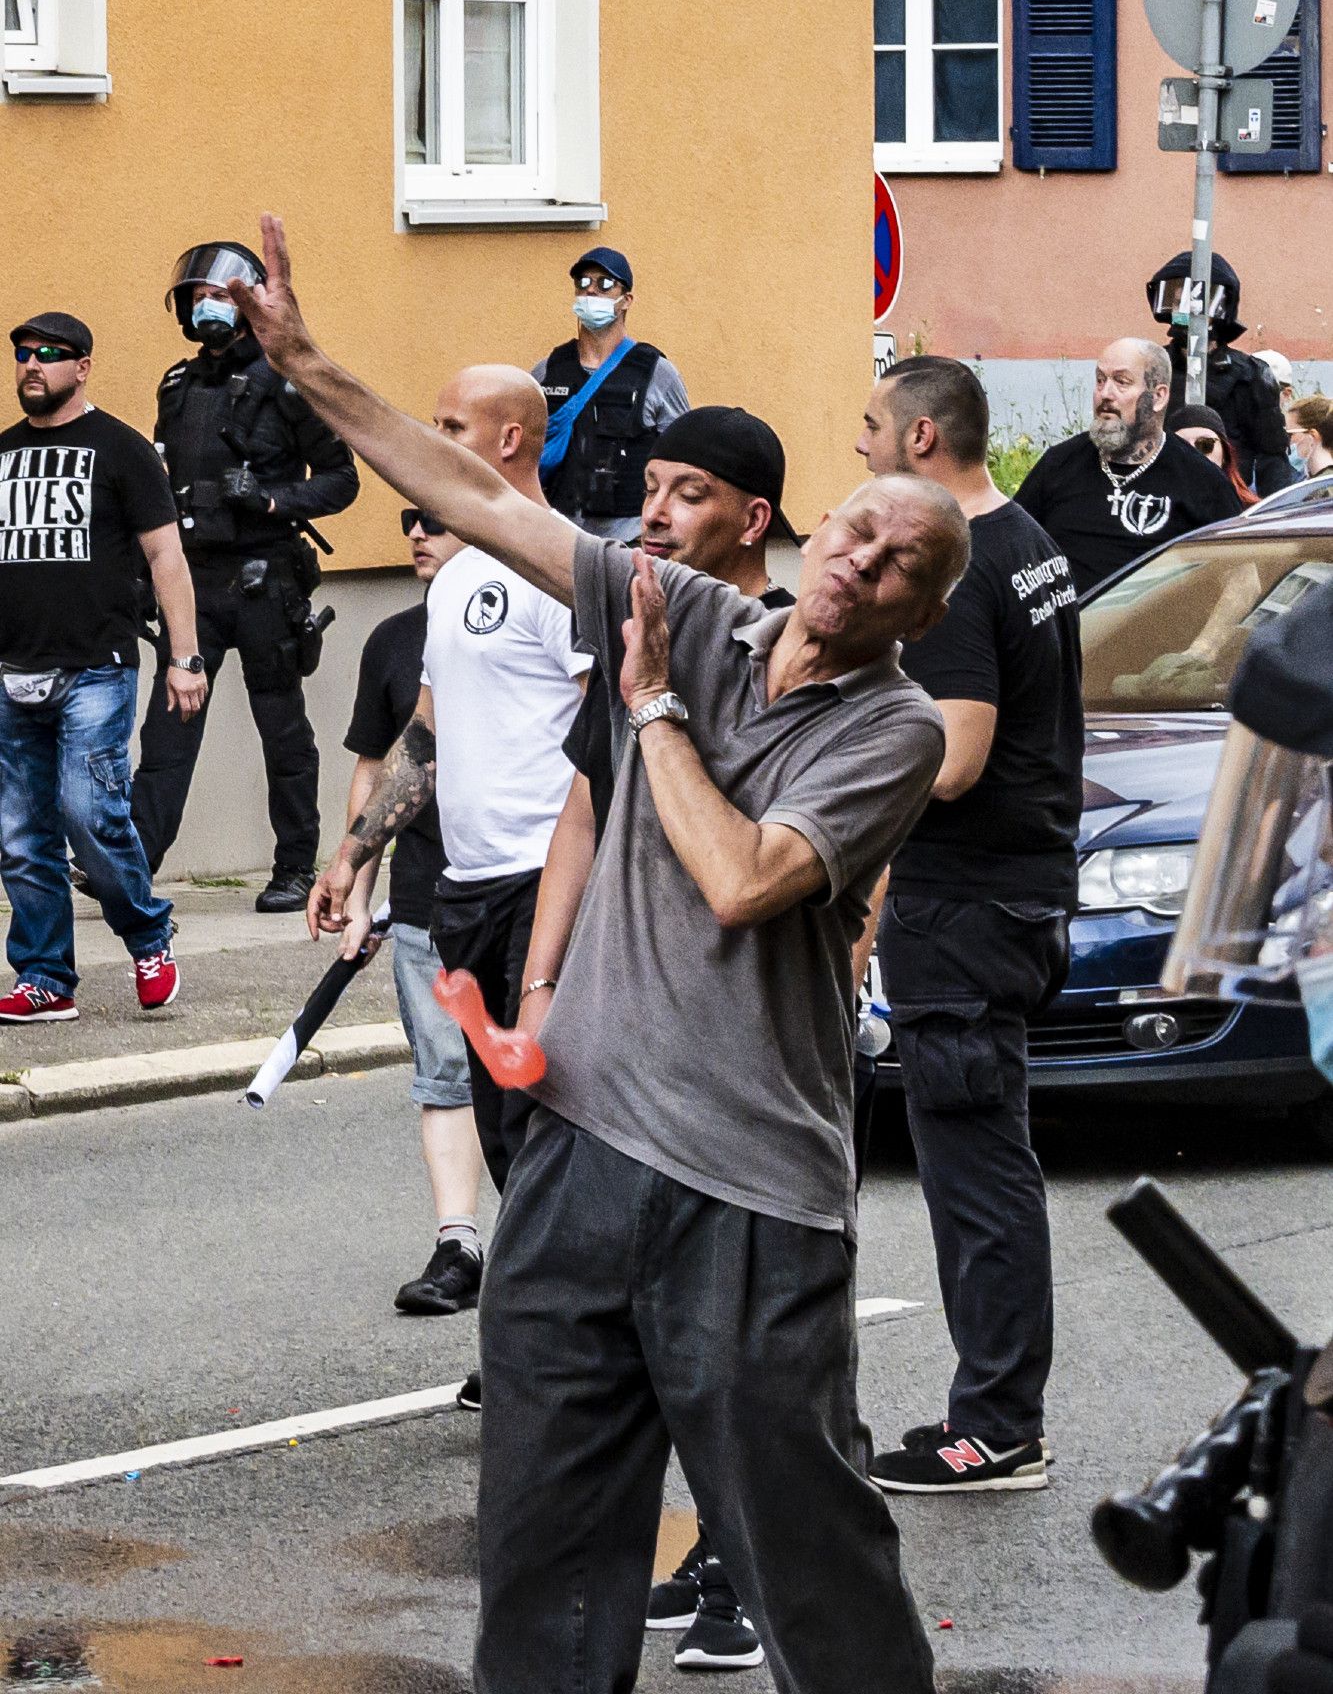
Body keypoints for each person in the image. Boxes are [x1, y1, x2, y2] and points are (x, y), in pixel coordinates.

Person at [227, 212, 968, 1694]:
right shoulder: (680, 608)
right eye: (858, 532)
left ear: (920, 608)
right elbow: (478, 497)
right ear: (815, 531)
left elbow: (744, 880)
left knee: (799, 1545)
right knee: (547, 1549)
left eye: (899, 565)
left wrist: (650, 714)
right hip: (576, 1156)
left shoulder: (890, 728)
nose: (863, 564)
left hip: (748, 1189)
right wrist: (311, 365)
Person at [518, 404, 793, 1675]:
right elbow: (586, 806)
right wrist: (539, 982)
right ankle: (675, 1576)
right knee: (611, 1358)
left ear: (752, 515)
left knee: (748, 1371)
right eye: (650, 486)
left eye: (687, 493)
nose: (654, 510)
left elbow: (824, 874)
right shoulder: (633, 633)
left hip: (743, 1078)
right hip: (610, 1057)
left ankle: (751, 1574)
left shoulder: (794, 652)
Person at [856, 357, 1082, 1494]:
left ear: (923, 434)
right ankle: (1001, 1411)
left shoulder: (955, 564)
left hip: (965, 900)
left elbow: (954, 758)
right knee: (995, 1158)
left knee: (976, 1173)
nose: (859, 443)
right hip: (1019, 885)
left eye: (871, 425)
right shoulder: (1030, 537)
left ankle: (995, 1425)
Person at [307, 364, 590, 1206]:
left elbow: (606, 743)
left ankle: (580, 1316)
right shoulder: (460, 573)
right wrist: (354, 854)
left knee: (553, 1123)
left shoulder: (558, 564)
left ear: (510, 440)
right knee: (504, 1130)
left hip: (545, 888)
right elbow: (425, 734)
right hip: (462, 891)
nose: (433, 444)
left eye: (451, 428)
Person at [131, 242, 359, 913]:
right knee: (168, 727)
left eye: (219, 294)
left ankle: (294, 867)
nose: (206, 307)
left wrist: (270, 501)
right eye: (196, 296)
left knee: (281, 727)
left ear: (248, 299)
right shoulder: (176, 385)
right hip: (192, 583)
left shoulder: (287, 382)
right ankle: (134, 861)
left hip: (264, 579)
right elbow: (157, 483)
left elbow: (342, 479)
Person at [0, 312, 207, 1022]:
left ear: (82, 366)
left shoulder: (120, 450)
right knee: (21, 839)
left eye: (49, 355)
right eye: (24, 354)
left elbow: (166, 558)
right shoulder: (1, 455)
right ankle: (45, 978)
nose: (33, 365)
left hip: (97, 666)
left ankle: (148, 934)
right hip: (11, 671)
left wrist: (185, 657)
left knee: (90, 816)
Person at [336, 505, 485, 1317]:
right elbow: (375, 767)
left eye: (436, 518)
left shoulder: (529, 616)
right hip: (427, 901)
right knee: (444, 1077)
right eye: (408, 520)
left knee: (534, 1088)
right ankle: (457, 1245)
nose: (418, 533)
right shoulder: (393, 639)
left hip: (523, 901)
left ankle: (550, 1264)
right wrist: (356, 890)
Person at [1015, 338, 1242, 596]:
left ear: (1158, 396)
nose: (1105, 394)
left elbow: (1242, 583)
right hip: (1065, 632)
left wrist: (1206, 639)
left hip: (1155, 634)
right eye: (1100, 380)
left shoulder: (1202, 481)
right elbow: (1010, 549)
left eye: (1121, 382)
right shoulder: (1059, 463)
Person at [533, 246, 689, 540]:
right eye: (582, 283)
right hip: (558, 536)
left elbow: (683, 457)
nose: (591, 291)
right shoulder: (548, 371)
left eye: (605, 284)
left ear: (625, 300)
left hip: (628, 540)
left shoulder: (656, 372)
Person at [1147, 250, 1291, 496]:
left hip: (1228, 502)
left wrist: (1270, 521)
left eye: (1195, 302)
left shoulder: (1252, 376)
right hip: (1162, 496)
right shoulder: (1152, 368)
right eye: (1177, 299)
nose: (1185, 310)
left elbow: (1272, 458)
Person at [1167, 403, 1258, 507]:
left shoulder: (1251, 514)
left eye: (1205, 444)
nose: (1193, 454)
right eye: (1181, 446)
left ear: (1225, 454)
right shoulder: (1153, 510)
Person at [1286, 395, 1333, 481]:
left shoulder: (1323, 487)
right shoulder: (1312, 481)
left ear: (1312, 437)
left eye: (1290, 434)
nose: (1285, 441)